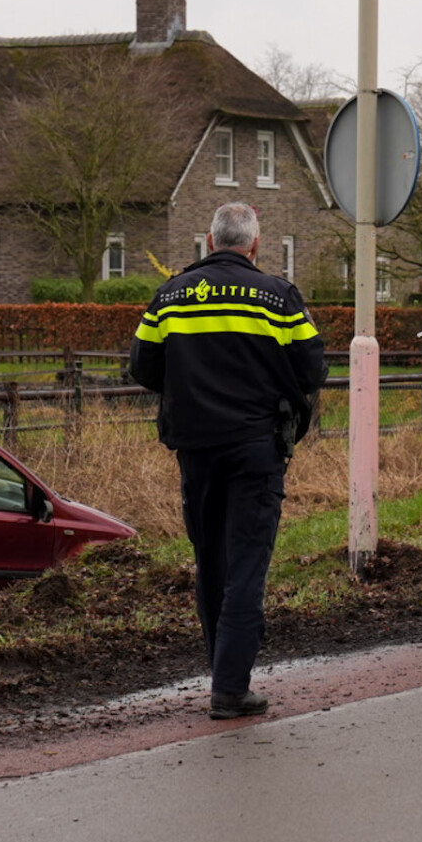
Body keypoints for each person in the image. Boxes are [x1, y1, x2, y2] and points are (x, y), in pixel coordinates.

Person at [128, 203, 326, 718]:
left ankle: (222, 673)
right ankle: (231, 689)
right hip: (256, 447)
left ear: (210, 243)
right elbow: (314, 368)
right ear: (254, 246)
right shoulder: (277, 297)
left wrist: (192, 387)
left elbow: (142, 368)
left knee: (210, 562)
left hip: (196, 449)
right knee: (246, 565)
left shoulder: (170, 295)